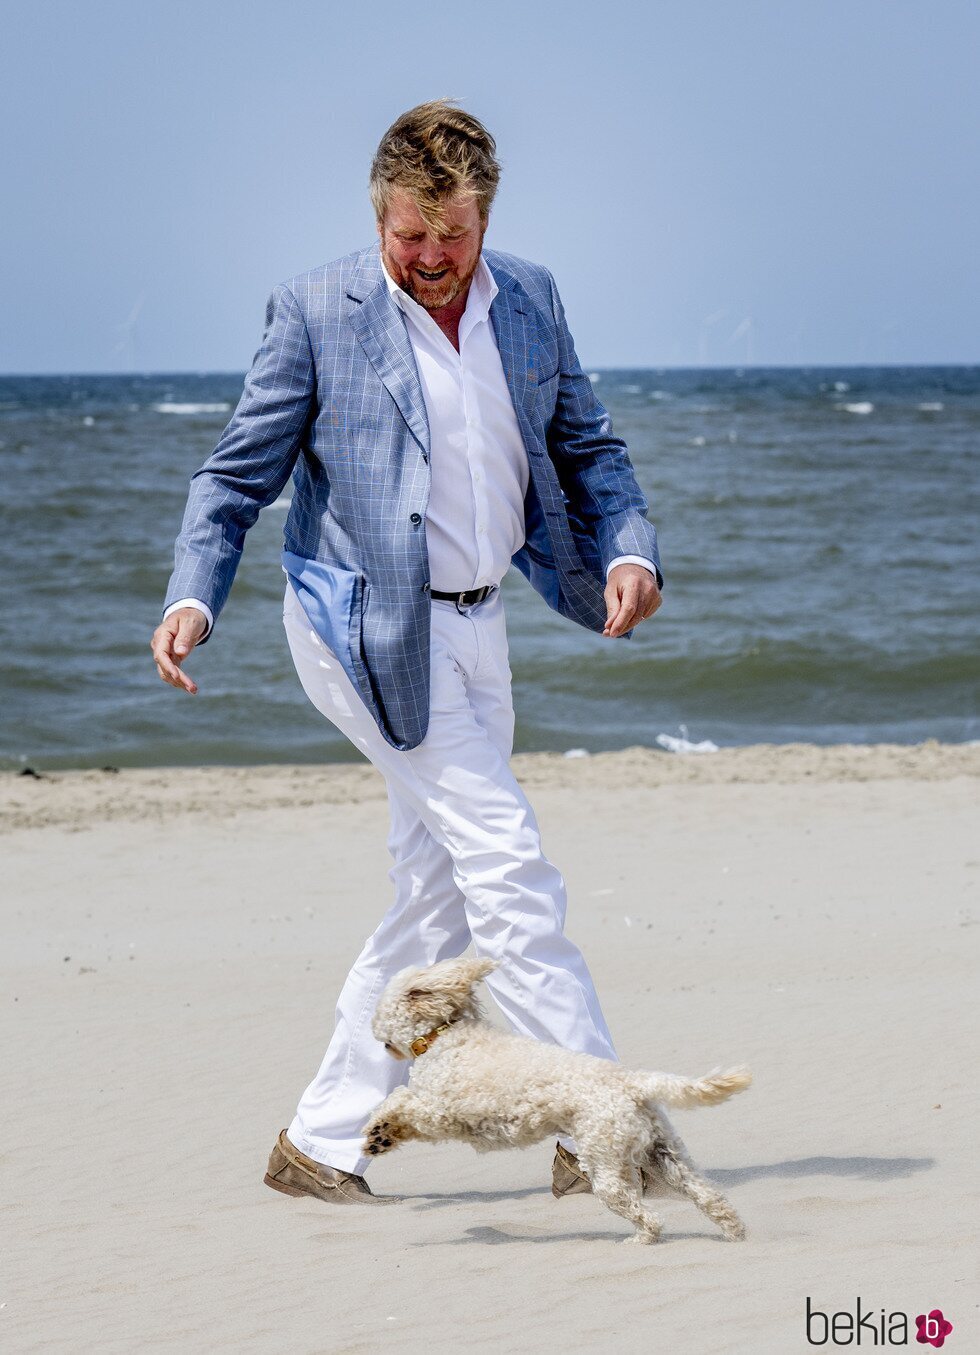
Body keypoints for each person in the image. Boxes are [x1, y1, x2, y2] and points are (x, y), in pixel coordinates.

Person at [151, 100, 664, 1207]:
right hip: (361, 629)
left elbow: (587, 446)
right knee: (506, 862)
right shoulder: (313, 310)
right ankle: (602, 1116)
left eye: (453, 236)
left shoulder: (529, 296)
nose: (432, 259)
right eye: (409, 236)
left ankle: (320, 1139)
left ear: (483, 218)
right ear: (379, 214)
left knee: (433, 901)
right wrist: (195, 594)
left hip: (482, 623)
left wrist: (627, 550)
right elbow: (233, 477)